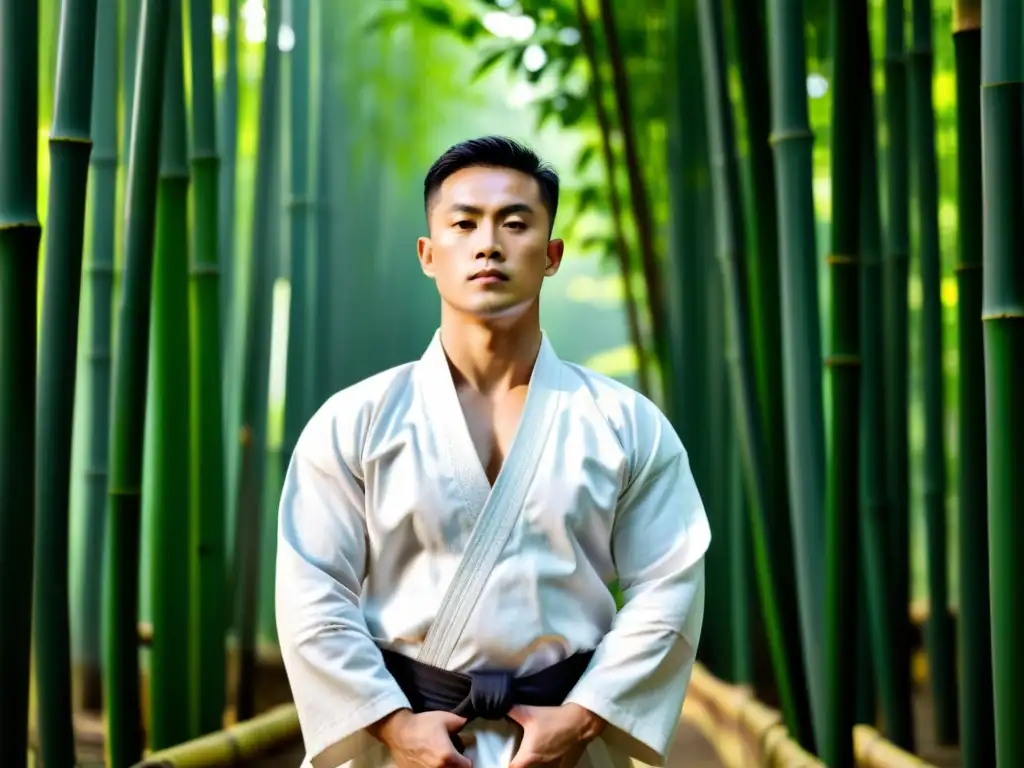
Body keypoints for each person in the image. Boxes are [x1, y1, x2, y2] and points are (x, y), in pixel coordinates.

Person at [275, 136, 710, 768]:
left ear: (552, 254)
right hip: (400, 748)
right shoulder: (355, 422)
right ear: (428, 254)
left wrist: (584, 717)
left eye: (514, 222)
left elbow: (671, 583)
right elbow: (312, 588)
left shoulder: (625, 425)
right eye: (463, 223)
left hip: (564, 746)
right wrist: (394, 725)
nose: (489, 244)